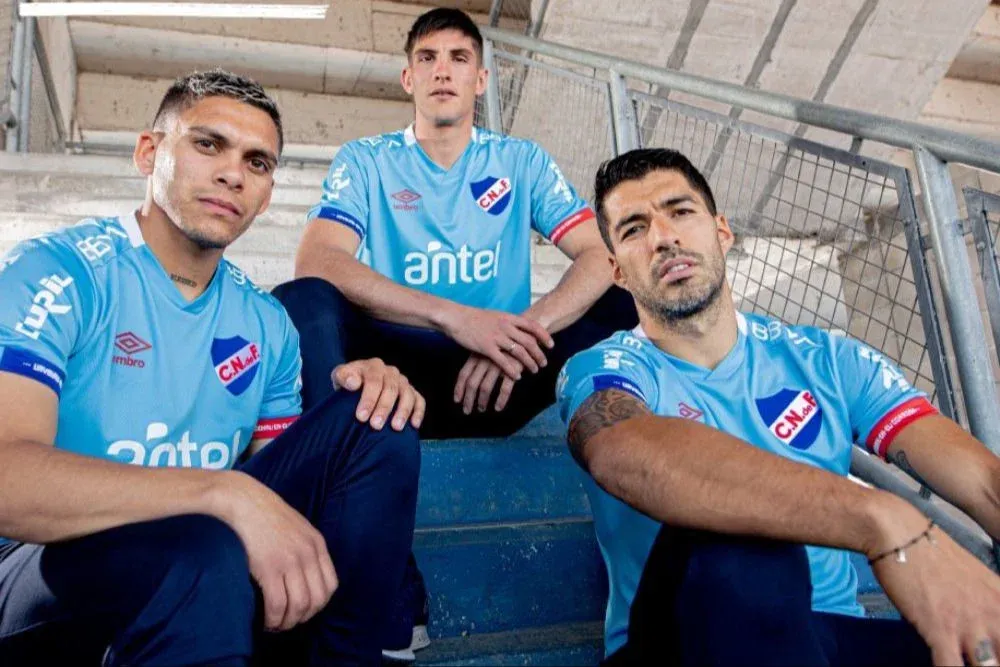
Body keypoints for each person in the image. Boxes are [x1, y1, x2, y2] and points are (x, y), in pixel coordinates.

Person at [0, 70, 426, 666]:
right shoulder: (58, 273)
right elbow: (9, 481)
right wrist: (221, 493)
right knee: (200, 548)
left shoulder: (266, 323)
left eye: (257, 162)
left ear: (266, 194)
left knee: (376, 416)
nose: (233, 173)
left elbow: (285, 502)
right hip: (40, 572)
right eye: (208, 144)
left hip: (202, 571)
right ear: (149, 153)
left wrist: (369, 391)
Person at [271, 8, 637, 659]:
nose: (443, 70)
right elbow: (318, 259)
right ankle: (377, 568)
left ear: (481, 79)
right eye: (429, 57)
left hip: (499, 379)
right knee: (305, 300)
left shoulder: (520, 160)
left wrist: (522, 331)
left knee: (622, 298)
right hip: (394, 380)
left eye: (459, 58)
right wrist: (454, 316)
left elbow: (599, 255)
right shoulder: (367, 160)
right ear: (407, 78)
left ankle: (644, 528)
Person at [556, 147, 1000, 666]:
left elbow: (982, 481)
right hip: (684, 639)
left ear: (722, 232)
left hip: (828, 634)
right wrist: (882, 516)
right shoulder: (603, 368)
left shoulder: (826, 359)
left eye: (680, 211)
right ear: (617, 271)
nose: (663, 237)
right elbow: (619, 450)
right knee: (741, 541)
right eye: (634, 229)